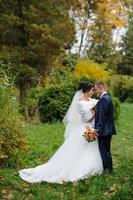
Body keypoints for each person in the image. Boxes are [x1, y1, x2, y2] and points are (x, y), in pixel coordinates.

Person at [19, 83, 103, 184]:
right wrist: (95, 113)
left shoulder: (92, 101)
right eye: (91, 91)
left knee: (91, 149)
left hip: (92, 128)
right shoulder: (80, 103)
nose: (93, 92)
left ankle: (92, 166)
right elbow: (86, 118)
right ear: (86, 91)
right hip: (85, 128)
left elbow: (101, 102)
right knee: (79, 149)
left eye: (94, 90)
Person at [95, 82, 116, 172]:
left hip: (104, 130)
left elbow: (102, 116)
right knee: (107, 149)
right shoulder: (108, 98)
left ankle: (107, 170)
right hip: (108, 129)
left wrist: (97, 129)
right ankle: (109, 168)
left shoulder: (103, 99)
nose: (96, 92)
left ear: (101, 88)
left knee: (104, 150)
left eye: (96, 89)